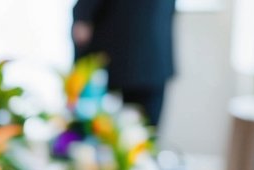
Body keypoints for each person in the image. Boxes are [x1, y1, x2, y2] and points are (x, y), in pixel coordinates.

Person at [72, 0, 177, 128]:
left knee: (135, 136)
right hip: (147, 60)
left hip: (122, 61)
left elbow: (81, 30)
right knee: (138, 135)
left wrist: (82, 17)